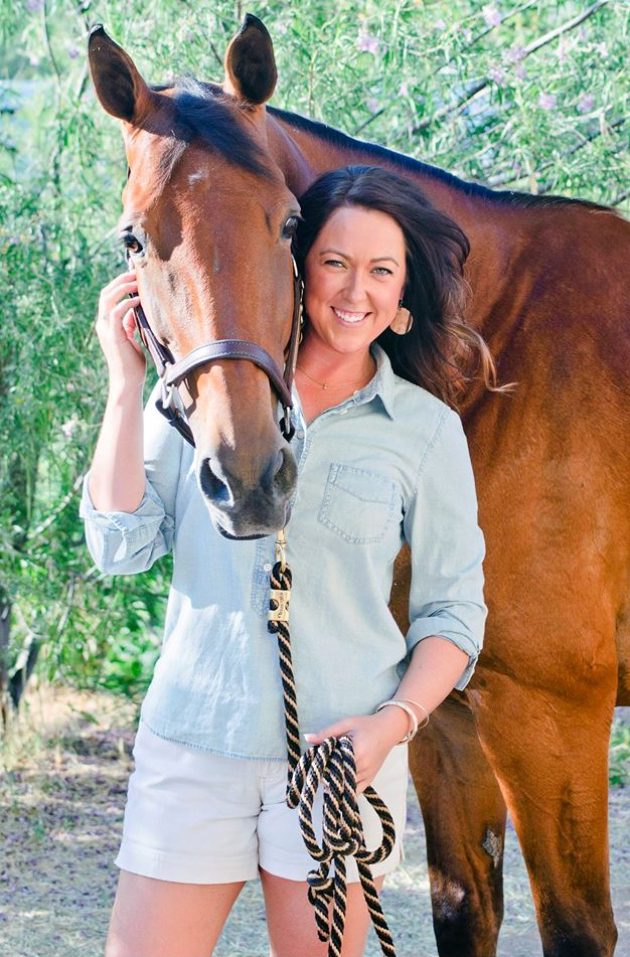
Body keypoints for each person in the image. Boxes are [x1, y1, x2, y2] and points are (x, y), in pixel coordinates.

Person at [81, 164, 491, 957]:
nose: (354, 290)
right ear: (298, 271)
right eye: (335, 263)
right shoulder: (208, 389)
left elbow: (452, 616)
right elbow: (119, 545)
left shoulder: (427, 431)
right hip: (195, 742)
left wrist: (389, 728)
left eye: (381, 270)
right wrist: (125, 385)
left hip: (340, 759)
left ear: (405, 296)